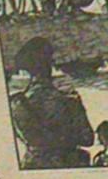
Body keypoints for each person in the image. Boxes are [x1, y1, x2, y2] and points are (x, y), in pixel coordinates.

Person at [9, 36, 93, 168]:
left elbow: (26, 138)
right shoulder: (68, 100)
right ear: (50, 65)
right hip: (70, 164)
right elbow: (87, 139)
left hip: (34, 166)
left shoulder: (16, 103)